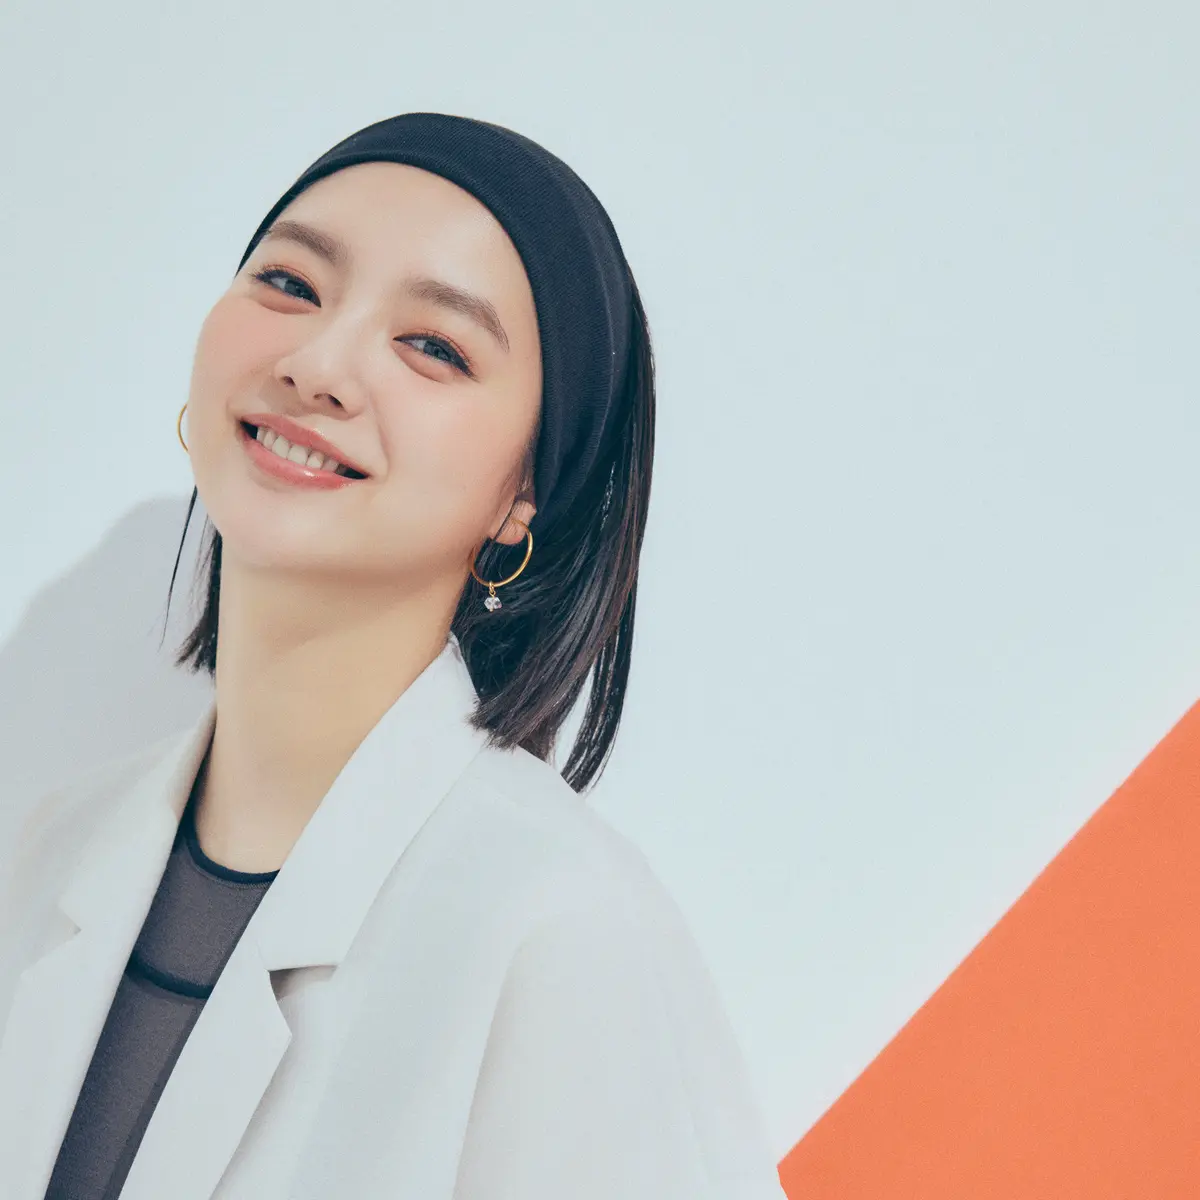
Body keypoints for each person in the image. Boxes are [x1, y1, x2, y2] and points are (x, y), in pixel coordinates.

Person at [0, 113, 787, 1199]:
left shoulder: (562, 928)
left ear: (525, 495)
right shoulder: (50, 853)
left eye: (435, 347)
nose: (317, 365)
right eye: (289, 284)